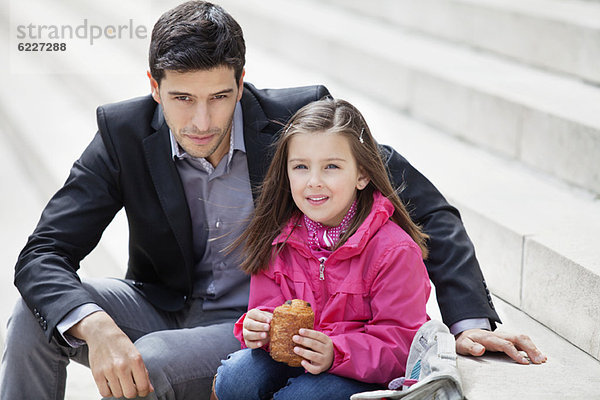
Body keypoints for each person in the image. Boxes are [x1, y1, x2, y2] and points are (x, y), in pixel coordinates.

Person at [0, 1, 545, 400]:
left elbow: (426, 209)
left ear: (241, 83)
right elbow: (44, 251)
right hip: (161, 301)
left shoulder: (299, 120)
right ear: (154, 85)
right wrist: (96, 326)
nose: (201, 121)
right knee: (36, 313)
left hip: (259, 318)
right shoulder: (121, 133)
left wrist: (468, 321)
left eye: (218, 97)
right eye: (181, 99)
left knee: (155, 361)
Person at [213, 98, 432, 400]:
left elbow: (402, 344)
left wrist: (337, 353)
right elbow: (265, 307)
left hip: (363, 374)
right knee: (236, 378)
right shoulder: (279, 239)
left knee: (302, 398)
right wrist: (257, 327)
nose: (314, 182)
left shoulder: (393, 251)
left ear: (362, 175)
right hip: (300, 361)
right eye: (301, 167)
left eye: (331, 167)